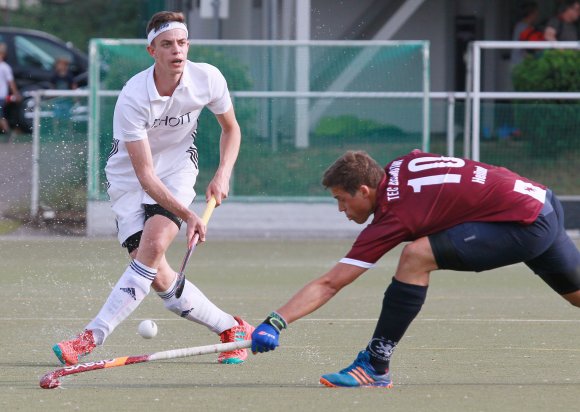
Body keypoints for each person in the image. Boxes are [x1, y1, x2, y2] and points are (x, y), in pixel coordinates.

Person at [251, 149, 580, 388]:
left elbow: (331, 283)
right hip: (540, 202)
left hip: (525, 223)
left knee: (416, 256)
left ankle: (375, 364)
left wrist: (275, 322)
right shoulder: (402, 164)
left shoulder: (395, 214)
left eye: (342, 199)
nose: (341, 209)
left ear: (364, 191)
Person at [52, 11, 254, 366]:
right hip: (129, 178)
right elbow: (145, 176)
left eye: (181, 42)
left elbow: (231, 129)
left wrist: (223, 173)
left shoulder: (207, 78)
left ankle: (91, 337)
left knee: (154, 245)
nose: (177, 50)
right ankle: (232, 328)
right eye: (167, 45)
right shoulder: (133, 97)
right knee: (157, 274)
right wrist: (190, 215)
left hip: (177, 170)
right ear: (152, 51)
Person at [0, 42, 21, 142]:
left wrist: (15, 94)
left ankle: (8, 132)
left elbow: (11, 82)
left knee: (0, 115)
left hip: (1, 95)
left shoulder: (5, 67)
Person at [511, 1, 542, 66]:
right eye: (536, 13)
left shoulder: (522, 26)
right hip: (520, 64)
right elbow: (531, 47)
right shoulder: (523, 27)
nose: (537, 15)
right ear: (531, 14)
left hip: (520, 62)